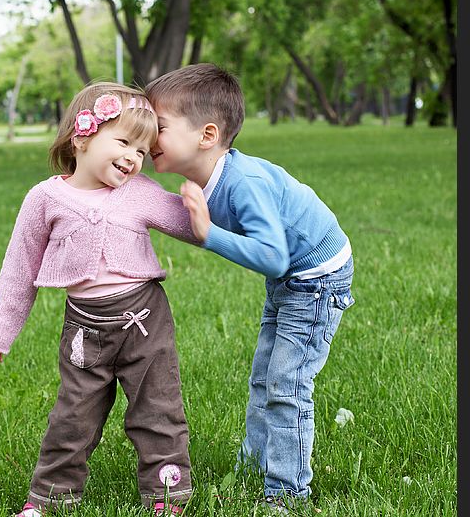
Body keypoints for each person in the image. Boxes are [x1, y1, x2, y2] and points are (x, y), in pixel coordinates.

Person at [0, 83, 196, 516]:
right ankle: (49, 499)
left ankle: (166, 496)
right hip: (85, 329)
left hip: (145, 321)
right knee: (72, 418)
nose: (134, 157)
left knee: (158, 410)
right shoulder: (45, 198)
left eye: (142, 149)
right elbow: (19, 269)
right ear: (81, 137)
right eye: (124, 142)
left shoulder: (140, 191)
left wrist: (217, 210)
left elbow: (191, 225)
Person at [146, 64, 355, 513]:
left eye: (158, 127)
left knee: (287, 384)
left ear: (206, 135)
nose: (148, 138)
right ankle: (254, 466)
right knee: (263, 376)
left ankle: (287, 493)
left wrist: (209, 235)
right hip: (290, 280)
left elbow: (274, 255)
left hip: (316, 279)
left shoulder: (244, 183)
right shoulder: (206, 179)